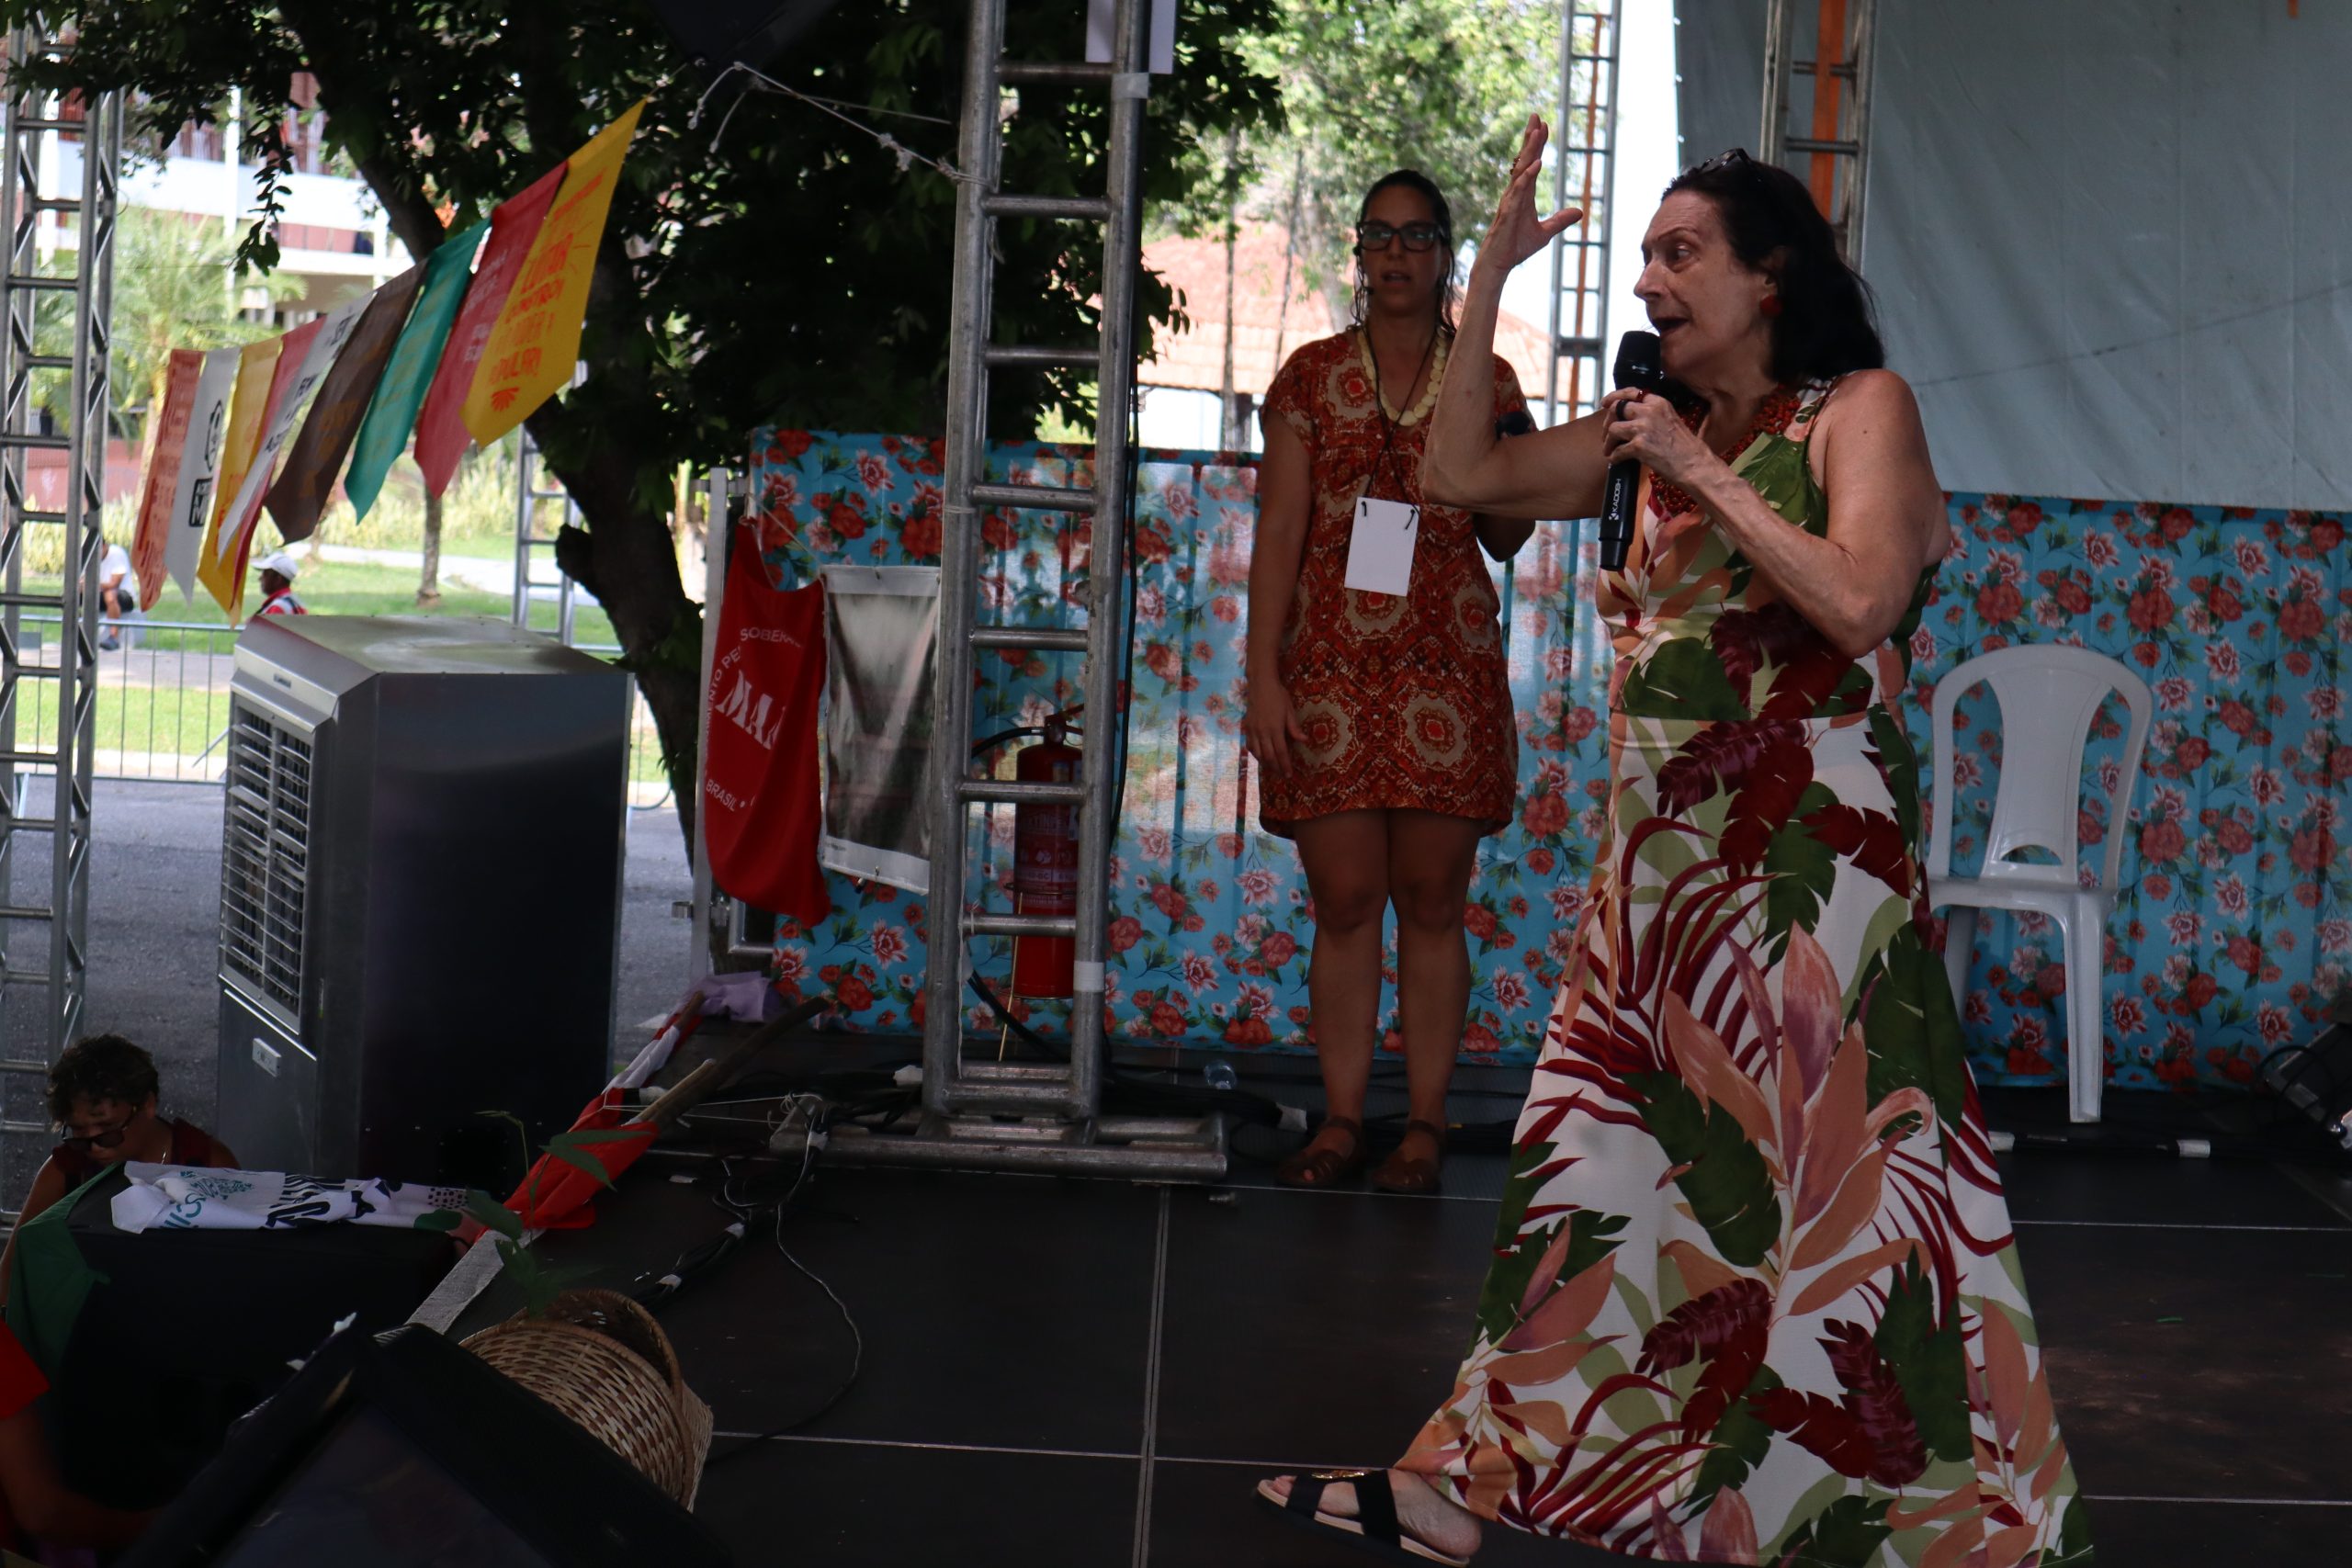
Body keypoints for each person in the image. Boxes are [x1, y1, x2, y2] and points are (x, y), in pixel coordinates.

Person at [1257, 121, 2094, 1564]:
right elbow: (1459, 476)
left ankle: (1924, 1524)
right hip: (1657, 888)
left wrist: (1698, 472)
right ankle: (1461, 1480)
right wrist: (1487, 282)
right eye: (1643, 255)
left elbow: (1860, 603)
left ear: (1770, 277)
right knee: (1584, 1183)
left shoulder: (1854, 410)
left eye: (1679, 252)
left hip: (1811, 893)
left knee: (1857, 1213)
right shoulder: (1648, 433)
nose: (1649, 280)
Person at [1245, 169, 1536, 1196]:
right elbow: (1279, 529)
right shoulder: (1309, 377)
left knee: (1432, 898)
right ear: (1359, 253)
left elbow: (1509, 535)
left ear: (1447, 254)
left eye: (1418, 236)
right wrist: (1262, 675)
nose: (1398, 253)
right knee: (1343, 899)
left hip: (1445, 673)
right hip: (1325, 670)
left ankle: (1421, 1126)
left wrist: (1500, 444)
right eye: (1380, 235)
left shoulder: (1487, 375)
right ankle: (1338, 1121)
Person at [0, 1034, 238, 1302]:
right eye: (79, 1132)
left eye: (108, 1128)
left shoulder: (208, 1162)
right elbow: (12, 1269)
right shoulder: (65, 1170)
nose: (95, 1147)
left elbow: (238, 1269)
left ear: (147, 1105)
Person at [96, 536, 139, 651]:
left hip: (123, 596)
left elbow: (114, 584)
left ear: (104, 546)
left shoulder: (116, 554)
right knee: (74, 595)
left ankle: (113, 637)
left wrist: (90, 584)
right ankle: (78, 633)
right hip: (98, 593)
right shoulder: (87, 554)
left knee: (110, 595)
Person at [254, 549, 307, 616]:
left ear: (278, 578)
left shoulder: (278, 607)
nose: (260, 578)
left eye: (265, 574)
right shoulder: (296, 603)